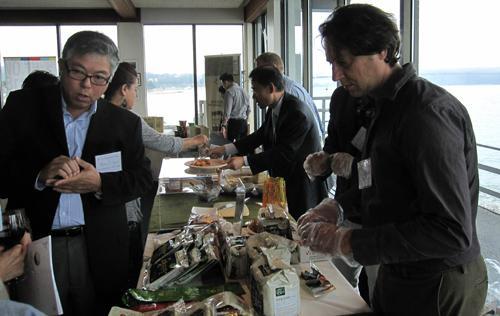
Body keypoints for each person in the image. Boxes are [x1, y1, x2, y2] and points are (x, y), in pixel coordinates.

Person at [298, 4, 487, 315]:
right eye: (332, 63)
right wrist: (339, 205)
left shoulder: (425, 113)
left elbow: (451, 231)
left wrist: (348, 242)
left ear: (383, 52)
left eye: (343, 63)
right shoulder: (383, 106)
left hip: (437, 282)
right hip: (399, 269)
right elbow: (383, 182)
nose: (335, 75)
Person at [0, 31, 153, 314]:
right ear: (62, 66)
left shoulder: (124, 124)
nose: (86, 86)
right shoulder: (23, 107)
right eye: (78, 73)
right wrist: (38, 175)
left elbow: (142, 179)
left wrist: (100, 183)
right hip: (37, 245)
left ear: (110, 79)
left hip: (101, 244)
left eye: (99, 78)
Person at [104, 61, 208, 287]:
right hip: (125, 204)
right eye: (134, 90)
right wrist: (195, 140)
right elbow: (162, 142)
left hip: (102, 205)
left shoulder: (94, 116)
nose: (136, 96)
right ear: (124, 90)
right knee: (129, 267)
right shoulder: (129, 121)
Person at [210, 66, 327, 219]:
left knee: (299, 229)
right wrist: (225, 149)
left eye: (256, 90)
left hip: (301, 185)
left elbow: (284, 153)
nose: (253, 96)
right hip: (284, 181)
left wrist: (244, 160)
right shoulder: (275, 107)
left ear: (271, 88)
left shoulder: (297, 113)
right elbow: (260, 135)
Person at [255, 52, 324, 139]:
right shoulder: (280, 94)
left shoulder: (289, 91)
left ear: (274, 68)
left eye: (260, 70)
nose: (256, 74)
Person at [219, 73, 250, 142]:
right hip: (243, 123)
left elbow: (227, 112)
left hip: (233, 123)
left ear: (226, 82)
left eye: (223, 84)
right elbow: (249, 109)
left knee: (230, 146)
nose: (223, 86)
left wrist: (223, 125)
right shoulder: (244, 91)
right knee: (242, 145)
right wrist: (245, 120)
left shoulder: (229, 92)